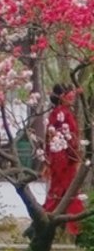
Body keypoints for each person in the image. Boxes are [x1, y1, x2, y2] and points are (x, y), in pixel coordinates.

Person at [43, 84, 86, 237]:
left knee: (62, 191)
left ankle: (45, 223)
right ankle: (77, 229)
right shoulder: (61, 113)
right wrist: (75, 155)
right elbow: (66, 137)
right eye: (69, 95)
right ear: (62, 97)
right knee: (66, 190)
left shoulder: (58, 113)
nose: (72, 98)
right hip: (63, 158)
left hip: (62, 157)